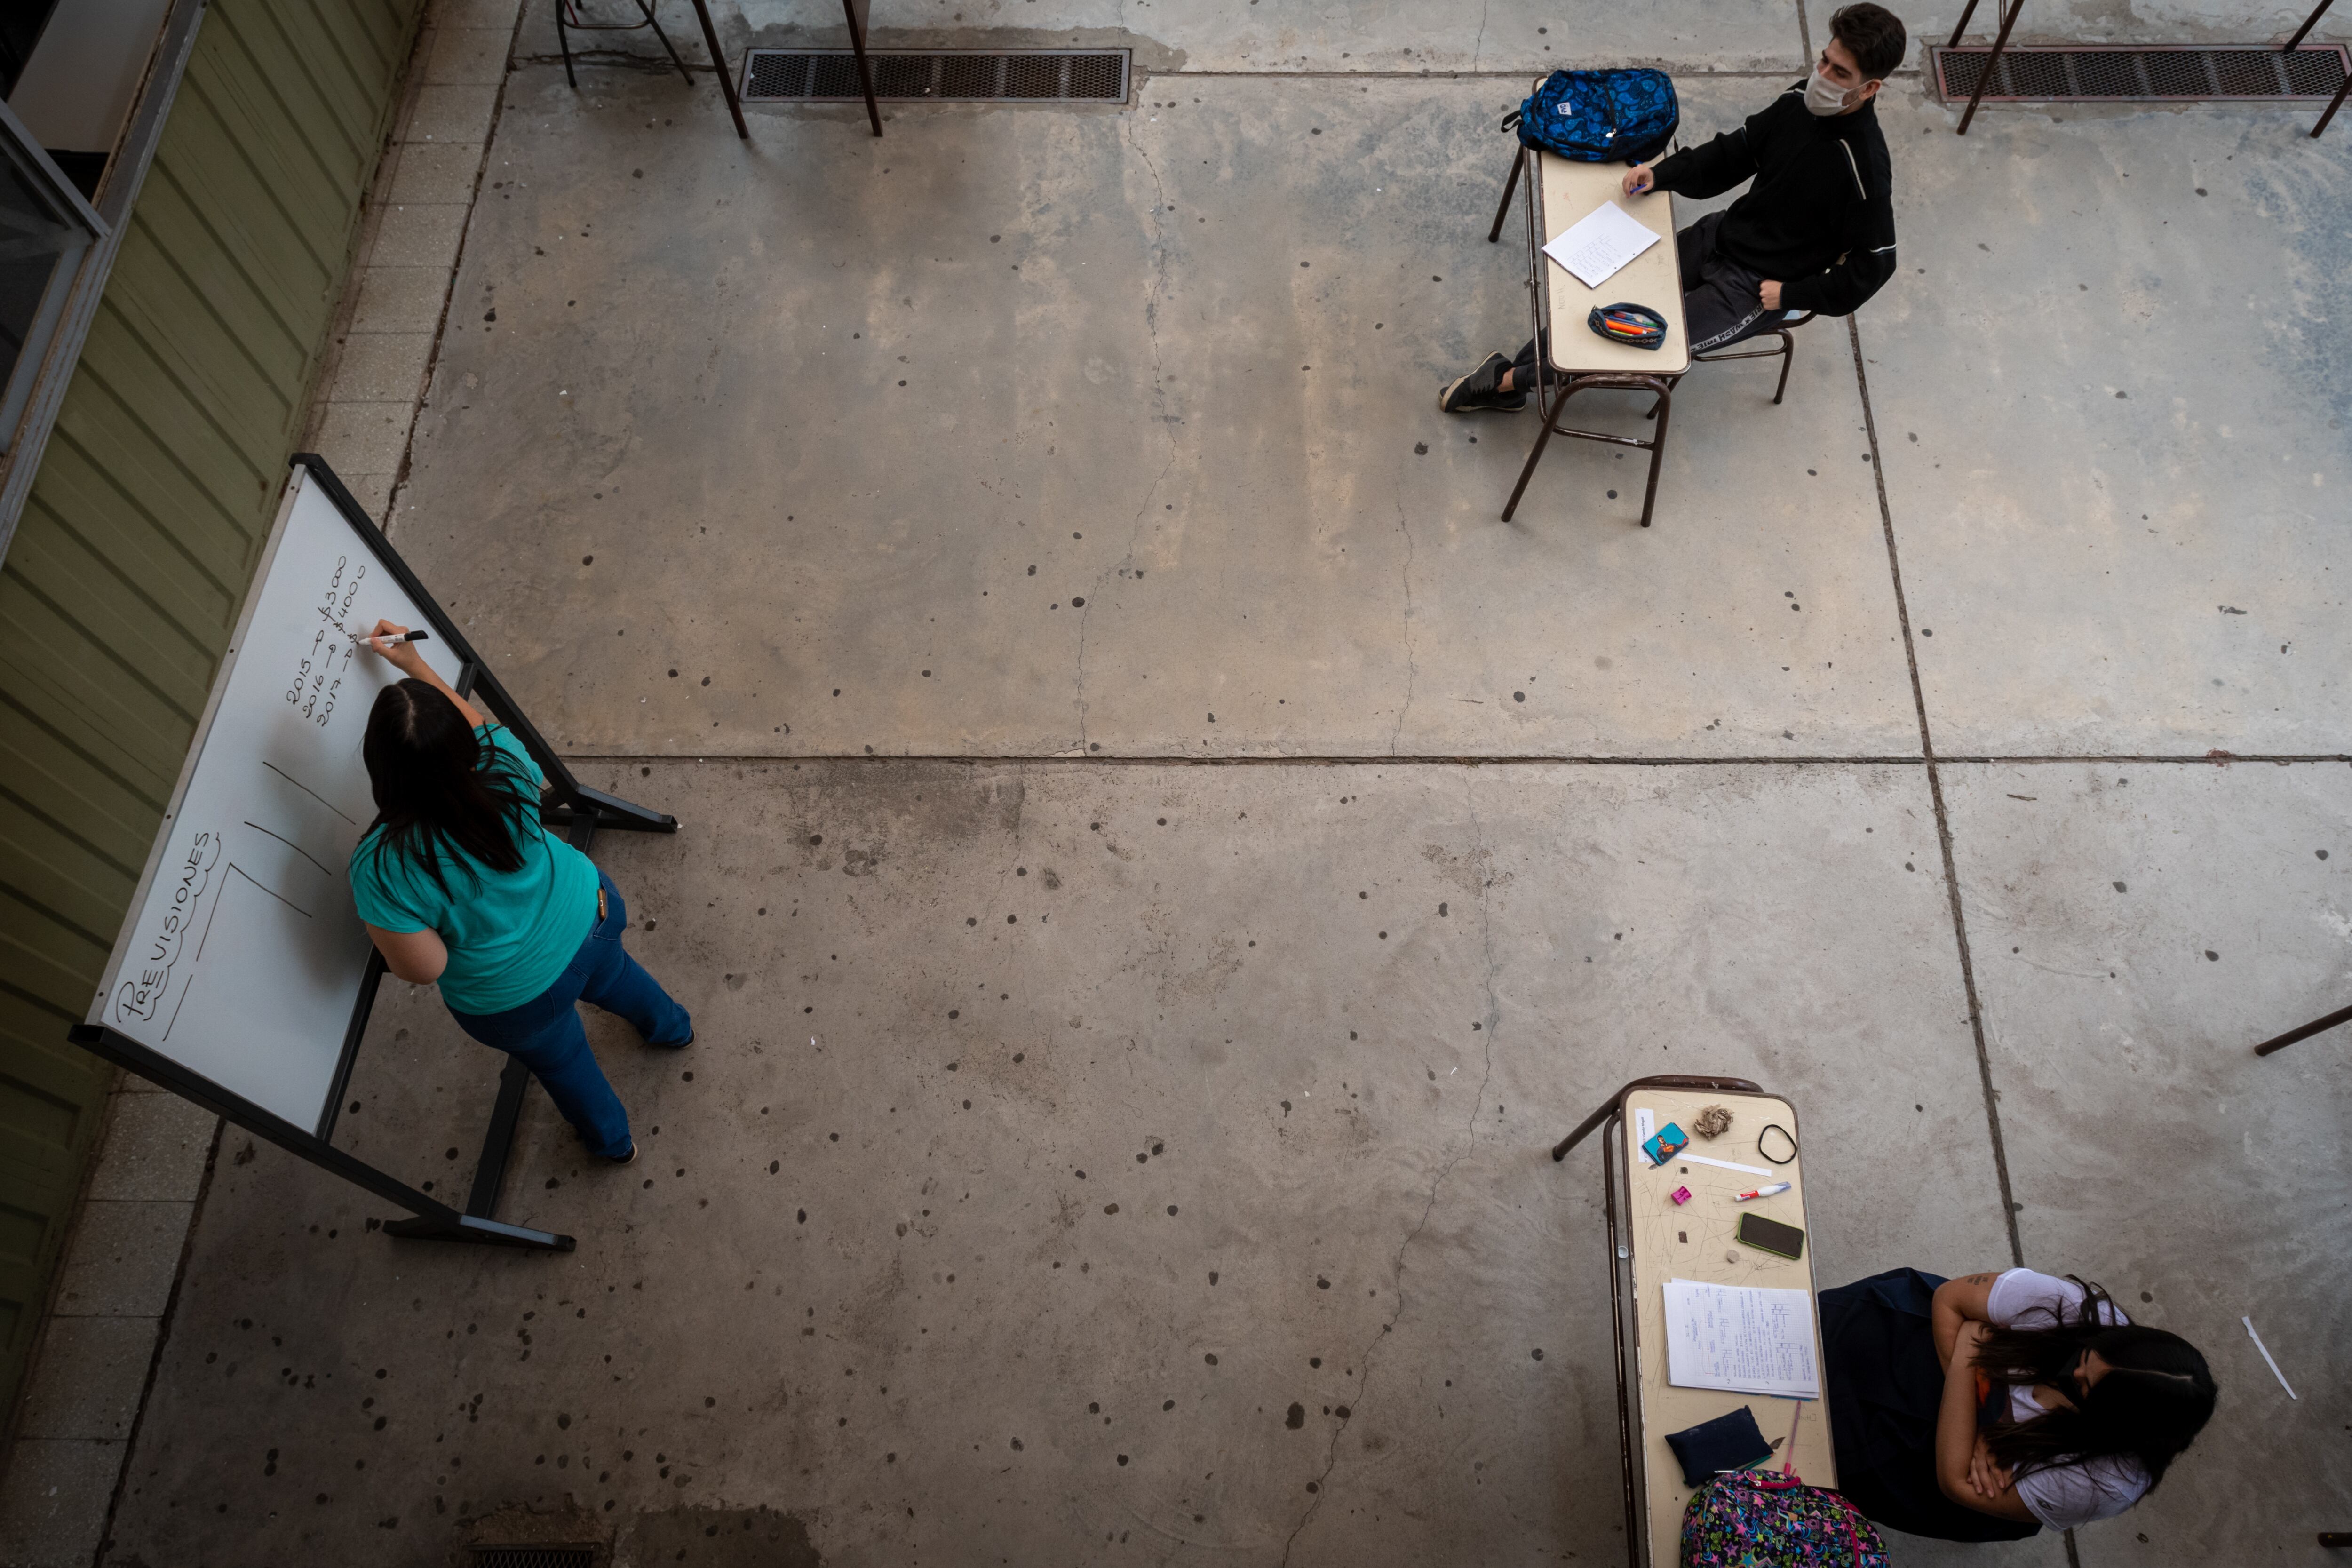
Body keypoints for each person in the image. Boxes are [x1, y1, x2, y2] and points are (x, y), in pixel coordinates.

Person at [1439, 3, 1907, 414]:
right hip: (1720, 235)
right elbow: (1737, 153)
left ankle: (1505, 382)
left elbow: (1875, 266)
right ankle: (1518, 369)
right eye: (1824, 61)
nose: (1821, 79)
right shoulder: (1799, 101)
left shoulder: (1863, 168)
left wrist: (1791, 296)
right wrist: (1663, 174)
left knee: (1627, 347)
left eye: (1839, 74)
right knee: (1594, 294)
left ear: (1869, 90)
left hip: (1753, 289)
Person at [349, 620, 691, 1165]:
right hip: (593, 913)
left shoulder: (383, 869)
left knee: (565, 1065)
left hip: (516, 998)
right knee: (620, 978)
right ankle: (672, 1030)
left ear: (379, 770)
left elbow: (425, 968)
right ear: (465, 746)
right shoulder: (505, 765)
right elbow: (474, 724)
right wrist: (415, 667)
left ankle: (612, 1144)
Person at [1818, 1266, 2216, 1541]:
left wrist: (1970, 1354)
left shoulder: (2103, 1482)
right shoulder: (2084, 1311)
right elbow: (1950, 1298)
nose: (2074, 1375)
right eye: (2085, 1356)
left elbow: (1956, 1483)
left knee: (1822, 1451)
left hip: (1925, 1451)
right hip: (1920, 1348)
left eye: (2086, 1390)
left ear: (2115, 1425)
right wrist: (1980, 1412)